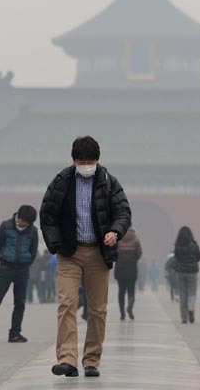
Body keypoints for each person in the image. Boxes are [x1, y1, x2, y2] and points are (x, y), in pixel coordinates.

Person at [40, 136, 131, 378]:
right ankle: (67, 359)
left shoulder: (109, 182)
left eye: (90, 161)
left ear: (98, 160)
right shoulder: (61, 182)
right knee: (67, 303)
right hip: (69, 252)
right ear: (73, 160)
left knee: (98, 309)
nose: (86, 166)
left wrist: (115, 231)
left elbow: (123, 211)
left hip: (98, 253)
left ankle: (91, 360)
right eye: (82, 161)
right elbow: (47, 214)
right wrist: (56, 244)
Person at [0, 205, 39, 343]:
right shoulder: (6, 226)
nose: (25, 224)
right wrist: (4, 261)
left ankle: (15, 334)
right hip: (6, 268)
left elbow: (33, 250)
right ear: (19, 217)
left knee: (20, 303)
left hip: (23, 270)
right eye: (23, 221)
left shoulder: (33, 231)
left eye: (28, 223)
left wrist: (26, 262)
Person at [173, 226, 200, 324]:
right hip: (192, 271)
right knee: (192, 293)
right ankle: (191, 309)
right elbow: (198, 257)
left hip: (180, 271)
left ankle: (184, 318)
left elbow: (176, 257)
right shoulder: (194, 245)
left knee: (182, 295)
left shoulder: (177, 246)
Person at [114, 227, 143, 320]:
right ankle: (130, 305)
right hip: (131, 268)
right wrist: (134, 259)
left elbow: (113, 251)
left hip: (120, 268)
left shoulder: (118, 238)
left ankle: (122, 312)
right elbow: (139, 253)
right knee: (131, 290)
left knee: (121, 291)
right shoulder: (135, 239)